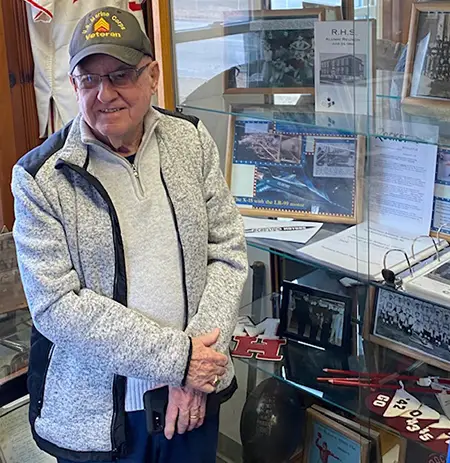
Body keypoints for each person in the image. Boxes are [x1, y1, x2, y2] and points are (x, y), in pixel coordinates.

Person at [12, 7, 248, 463]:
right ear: (73, 83)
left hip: (192, 398)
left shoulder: (191, 140)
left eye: (121, 75)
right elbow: (56, 306)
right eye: (88, 79)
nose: (106, 94)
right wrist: (179, 360)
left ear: (153, 75)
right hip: (101, 417)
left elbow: (227, 251)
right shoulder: (41, 177)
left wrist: (193, 371)